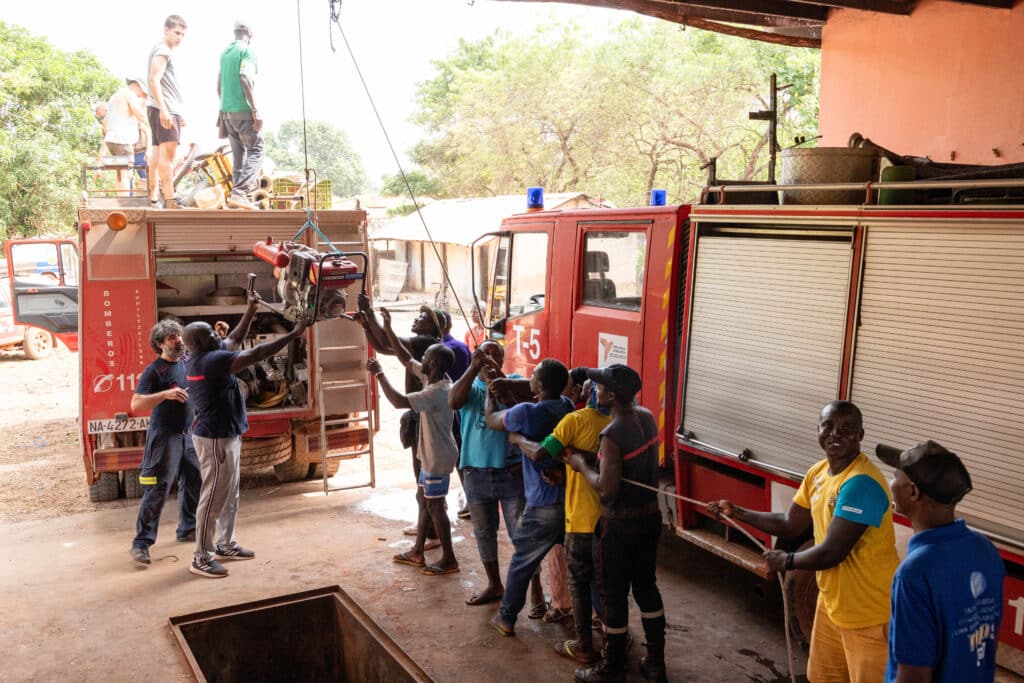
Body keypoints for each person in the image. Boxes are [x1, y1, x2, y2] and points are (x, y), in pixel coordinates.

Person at [708, 400, 900, 683]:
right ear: (818, 429)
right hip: (832, 604)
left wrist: (786, 560)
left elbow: (832, 551)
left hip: (868, 614)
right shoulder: (819, 472)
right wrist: (737, 511)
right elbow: (790, 522)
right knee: (822, 677)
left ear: (860, 435)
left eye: (847, 429)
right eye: (828, 426)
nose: (835, 434)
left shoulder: (861, 484)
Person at [183, 311, 309, 578]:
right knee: (213, 497)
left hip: (226, 435)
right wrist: (294, 334)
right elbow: (257, 353)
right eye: (209, 334)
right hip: (215, 440)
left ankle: (225, 544)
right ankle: (201, 557)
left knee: (230, 494)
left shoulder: (209, 353)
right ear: (200, 344)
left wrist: (250, 311)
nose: (216, 335)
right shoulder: (209, 361)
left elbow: (235, 339)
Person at [568, 365, 666, 682]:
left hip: (619, 526)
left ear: (611, 395)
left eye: (599, 387)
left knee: (612, 595)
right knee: (646, 587)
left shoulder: (611, 434)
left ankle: (611, 668)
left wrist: (582, 464)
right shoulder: (647, 416)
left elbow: (607, 488)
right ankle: (655, 661)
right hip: (649, 519)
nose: (595, 389)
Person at [509, 366, 610, 666]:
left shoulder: (574, 419)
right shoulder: (622, 421)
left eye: (591, 387)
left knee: (578, 580)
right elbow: (602, 462)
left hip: (580, 515)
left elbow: (542, 452)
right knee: (603, 580)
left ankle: (583, 646)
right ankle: (614, 634)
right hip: (609, 518)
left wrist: (516, 440)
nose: (584, 390)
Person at [881, 440, 1004, 683]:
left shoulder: (914, 573)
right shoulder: (986, 550)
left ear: (913, 492)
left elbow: (913, 677)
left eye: (895, 476)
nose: (890, 483)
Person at [485, 358, 574, 636]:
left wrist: (490, 392)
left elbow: (492, 420)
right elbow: (529, 404)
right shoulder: (568, 406)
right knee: (582, 567)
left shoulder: (525, 413)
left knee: (522, 562)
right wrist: (510, 390)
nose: (530, 379)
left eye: (533, 376)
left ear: (540, 385)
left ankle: (506, 617)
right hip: (570, 500)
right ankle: (604, 625)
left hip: (543, 504)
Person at [369, 308, 459, 576]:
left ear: (431, 365)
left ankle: (449, 558)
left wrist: (379, 374)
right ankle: (418, 551)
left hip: (437, 457)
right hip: (430, 453)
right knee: (425, 498)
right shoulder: (436, 376)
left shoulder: (436, 391)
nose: (421, 361)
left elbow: (398, 401)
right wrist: (387, 325)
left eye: (426, 359)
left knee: (435, 505)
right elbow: (407, 359)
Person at [355, 295, 443, 544]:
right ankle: (427, 525)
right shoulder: (425, 345)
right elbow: (384, 347)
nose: (416, 319)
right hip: (419, 414)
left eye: (422, 317)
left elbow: (386, 343)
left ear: (433, 328)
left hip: (422, 415)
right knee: (422, 479)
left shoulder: (426, 342)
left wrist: (371, 315)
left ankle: (432, 531)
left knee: (423, 477)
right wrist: (366, 324)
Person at [449, 341, 525, 607]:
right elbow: (453, 401)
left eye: (497, 354)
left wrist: (497, 374)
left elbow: (518, 401)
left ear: (504, 360)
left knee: (521, 534)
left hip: (511, 470)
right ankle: (494, 584)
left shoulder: (513, 380)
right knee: (484, 531)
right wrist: (472, 368)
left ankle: (536, 589)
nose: (490, 358)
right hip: (475, 470)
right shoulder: (469, 386)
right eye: (485, 354)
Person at [128, 320, 201, 565]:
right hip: (164, 437)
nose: (179, 340)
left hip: (187, 435)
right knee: (158, 489)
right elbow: (136, 404)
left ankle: (188, 529)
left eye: (179, 336)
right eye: (172, 337)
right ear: (160, 344)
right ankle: (141, 544)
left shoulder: (186, 361)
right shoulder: (154, 371)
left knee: (193, 481)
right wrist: (165, 394)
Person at [217, 20, 264, 211]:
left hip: (227, 113)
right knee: (257, 150)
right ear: (250, 33)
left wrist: (225, 107)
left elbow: (218, 86)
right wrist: (255, 109)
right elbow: (245, 79)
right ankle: (240, 193)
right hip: (243, 112)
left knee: (239, 155)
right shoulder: (247, 51)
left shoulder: (225, 53)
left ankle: (235, 200)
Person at [147, 15, 187, 209]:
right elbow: (153, 79)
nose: (180, 37)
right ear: (166, 30)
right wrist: (165, 110)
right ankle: (170, 199)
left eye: (182, 34)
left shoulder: (162, 50)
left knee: (156, 155)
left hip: (163, 108)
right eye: (177, 33)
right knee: (167, 158)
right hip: (164, 109)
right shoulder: (163, 50)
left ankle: (154, 196)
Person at [96, 78, 149, 195]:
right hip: (123, 139)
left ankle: (121, 201)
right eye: (142, 93)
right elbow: (142, 117)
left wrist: (99, 164)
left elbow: (106, 126)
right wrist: (144, 106)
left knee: (120, 174)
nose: (141, 96)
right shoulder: (129, 94)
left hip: (112, 140)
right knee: (126, 175)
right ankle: (125, 203)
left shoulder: (114, 97)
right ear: (137, 85)